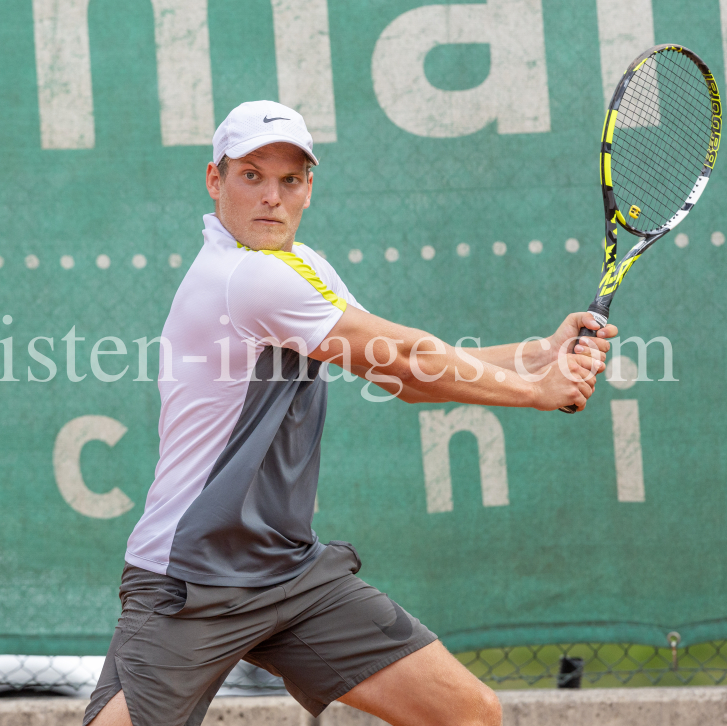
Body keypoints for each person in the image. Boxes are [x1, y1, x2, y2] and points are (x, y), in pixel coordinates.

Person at [85, 101, 616, 726]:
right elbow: (413, 358)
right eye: (250, 176)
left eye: (289, 180)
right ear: (215, 180)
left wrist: (538, 355)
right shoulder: (244, 279)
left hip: (287, 570)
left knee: (468, 714)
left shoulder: (302, 267)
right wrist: (536, 391)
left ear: (309, 187)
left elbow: (401, 373)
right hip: (193, 579)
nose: (271, 198)